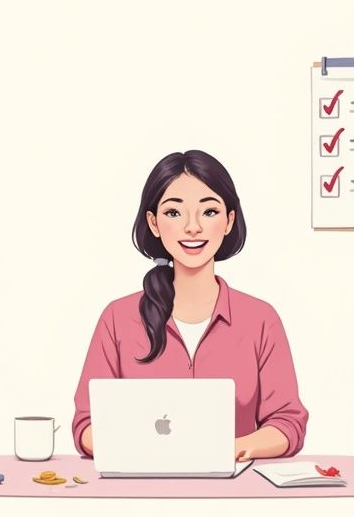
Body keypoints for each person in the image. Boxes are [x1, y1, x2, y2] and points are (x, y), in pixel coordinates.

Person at [72, 150, 308, 462]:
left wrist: (224, 450)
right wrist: (144, 451)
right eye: (174, 213)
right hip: (137, 493)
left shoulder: (261, 319)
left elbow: (287, 424)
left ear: (229, 221)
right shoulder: (117, 318)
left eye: (209, 212)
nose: (192, 227)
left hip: (233, 494)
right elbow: (87, 426)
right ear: (153, 223)